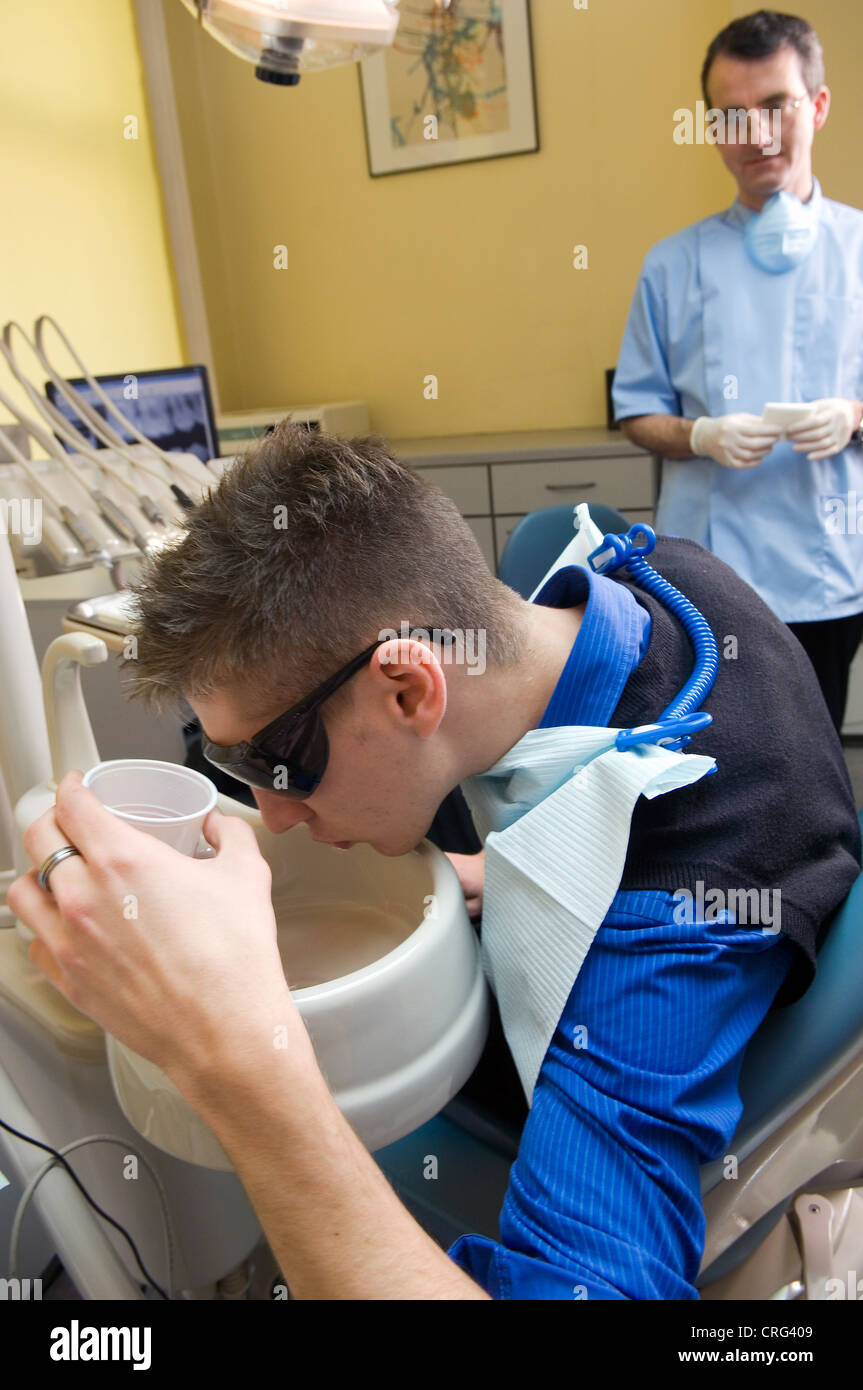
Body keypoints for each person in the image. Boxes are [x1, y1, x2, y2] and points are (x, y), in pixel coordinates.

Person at [9, 425, 860, 1299]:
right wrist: (502, 872)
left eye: (273, 762)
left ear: (411, 687)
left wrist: (231, 1059)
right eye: (228, 765)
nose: (272, 814)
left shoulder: (668, 938)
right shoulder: (661, 577)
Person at [613, 9, 863, 732]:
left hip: (824, 577)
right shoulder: (671, 264)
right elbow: (637, 411)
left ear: (815, 106)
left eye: (774, 106)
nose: (753, 134)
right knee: (716, 767)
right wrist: (699, 436)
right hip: (706, 582)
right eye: (728, 116)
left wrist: (850, 416)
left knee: (814, 762)